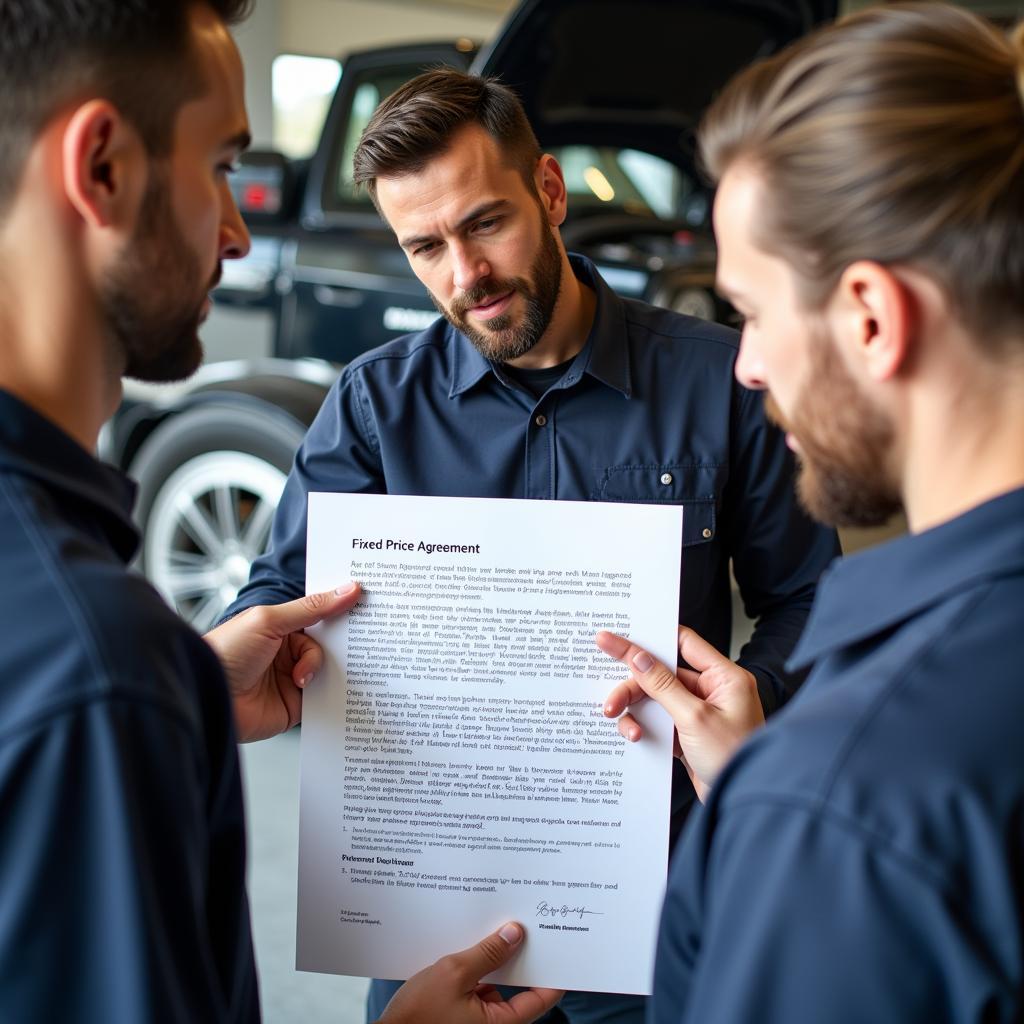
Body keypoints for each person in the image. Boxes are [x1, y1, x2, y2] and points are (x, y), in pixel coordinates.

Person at [224, 66, 839, 1023]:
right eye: (423, 247)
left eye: (483, 224)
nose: (463, 277)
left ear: (549, 192)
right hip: (430, 920)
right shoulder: (375, 406)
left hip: (659, 896)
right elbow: (276, 590)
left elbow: (810, 598)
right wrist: (240, 657)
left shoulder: (721, 384)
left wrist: (744, 706)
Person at [0, 2, 556, 1020]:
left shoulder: (99, 660)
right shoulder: (95, 661)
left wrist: (187, 694)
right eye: (220, 164)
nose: (239, 227)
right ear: (103, 169)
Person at [594, 3, 1024, 1020]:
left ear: (871, 316)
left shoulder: (849, 794)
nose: (742, 367)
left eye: (748, 311)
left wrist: (783, 823)